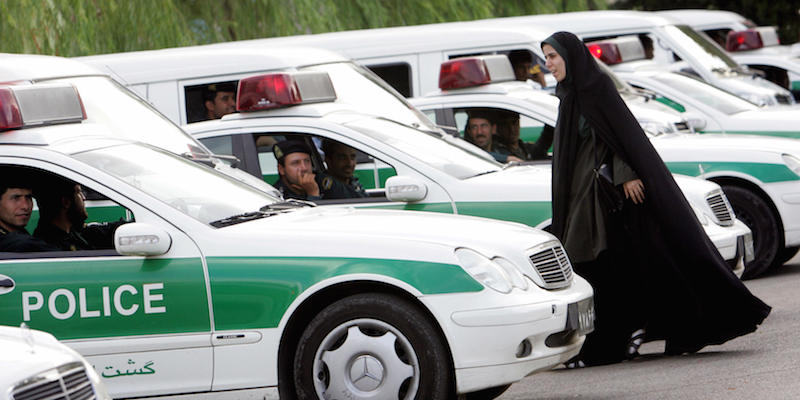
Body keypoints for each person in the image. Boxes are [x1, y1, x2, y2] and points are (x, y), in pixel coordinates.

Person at [541, 31, 770, 366]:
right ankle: (616, 337)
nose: (548, 65)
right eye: (546, 58)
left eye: (553, 57)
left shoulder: (597, 88)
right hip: (579, 194)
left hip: (599, 197)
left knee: (601, 264)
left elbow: (622, 133)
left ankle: (613, 342)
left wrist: (627, 173)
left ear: (570, 56)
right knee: (604, 266)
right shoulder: (569, 93)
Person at [34, 178, 123, 251]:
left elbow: (106, 231)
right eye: (79, 192)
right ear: (66, 202)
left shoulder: (75, 232)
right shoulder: (52, 246)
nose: (84, 198)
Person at [272, 140, 360, 201]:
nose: (304, 168)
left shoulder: (322, 181)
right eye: (296, 163)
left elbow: (360, 200)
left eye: (307, 161)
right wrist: (313, 194)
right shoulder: (276, 195)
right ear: (281, 169)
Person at [0, 171, 58, 252]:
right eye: (16, 198)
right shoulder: (16, 243)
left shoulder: (20, 234)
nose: (25, 206)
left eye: (28, 197)